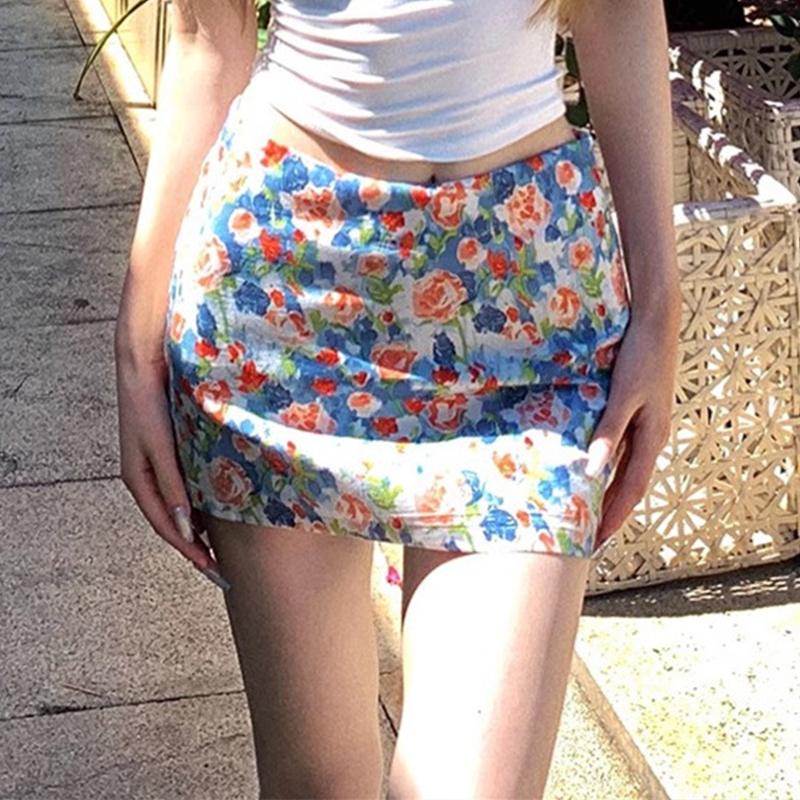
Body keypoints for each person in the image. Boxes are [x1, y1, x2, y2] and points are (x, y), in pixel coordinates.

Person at [114, 0, 680, 796]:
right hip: (283, 290)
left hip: (529, 297)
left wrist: (660, 310)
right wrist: (137, 347)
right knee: (318, 788)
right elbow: (210, 35)